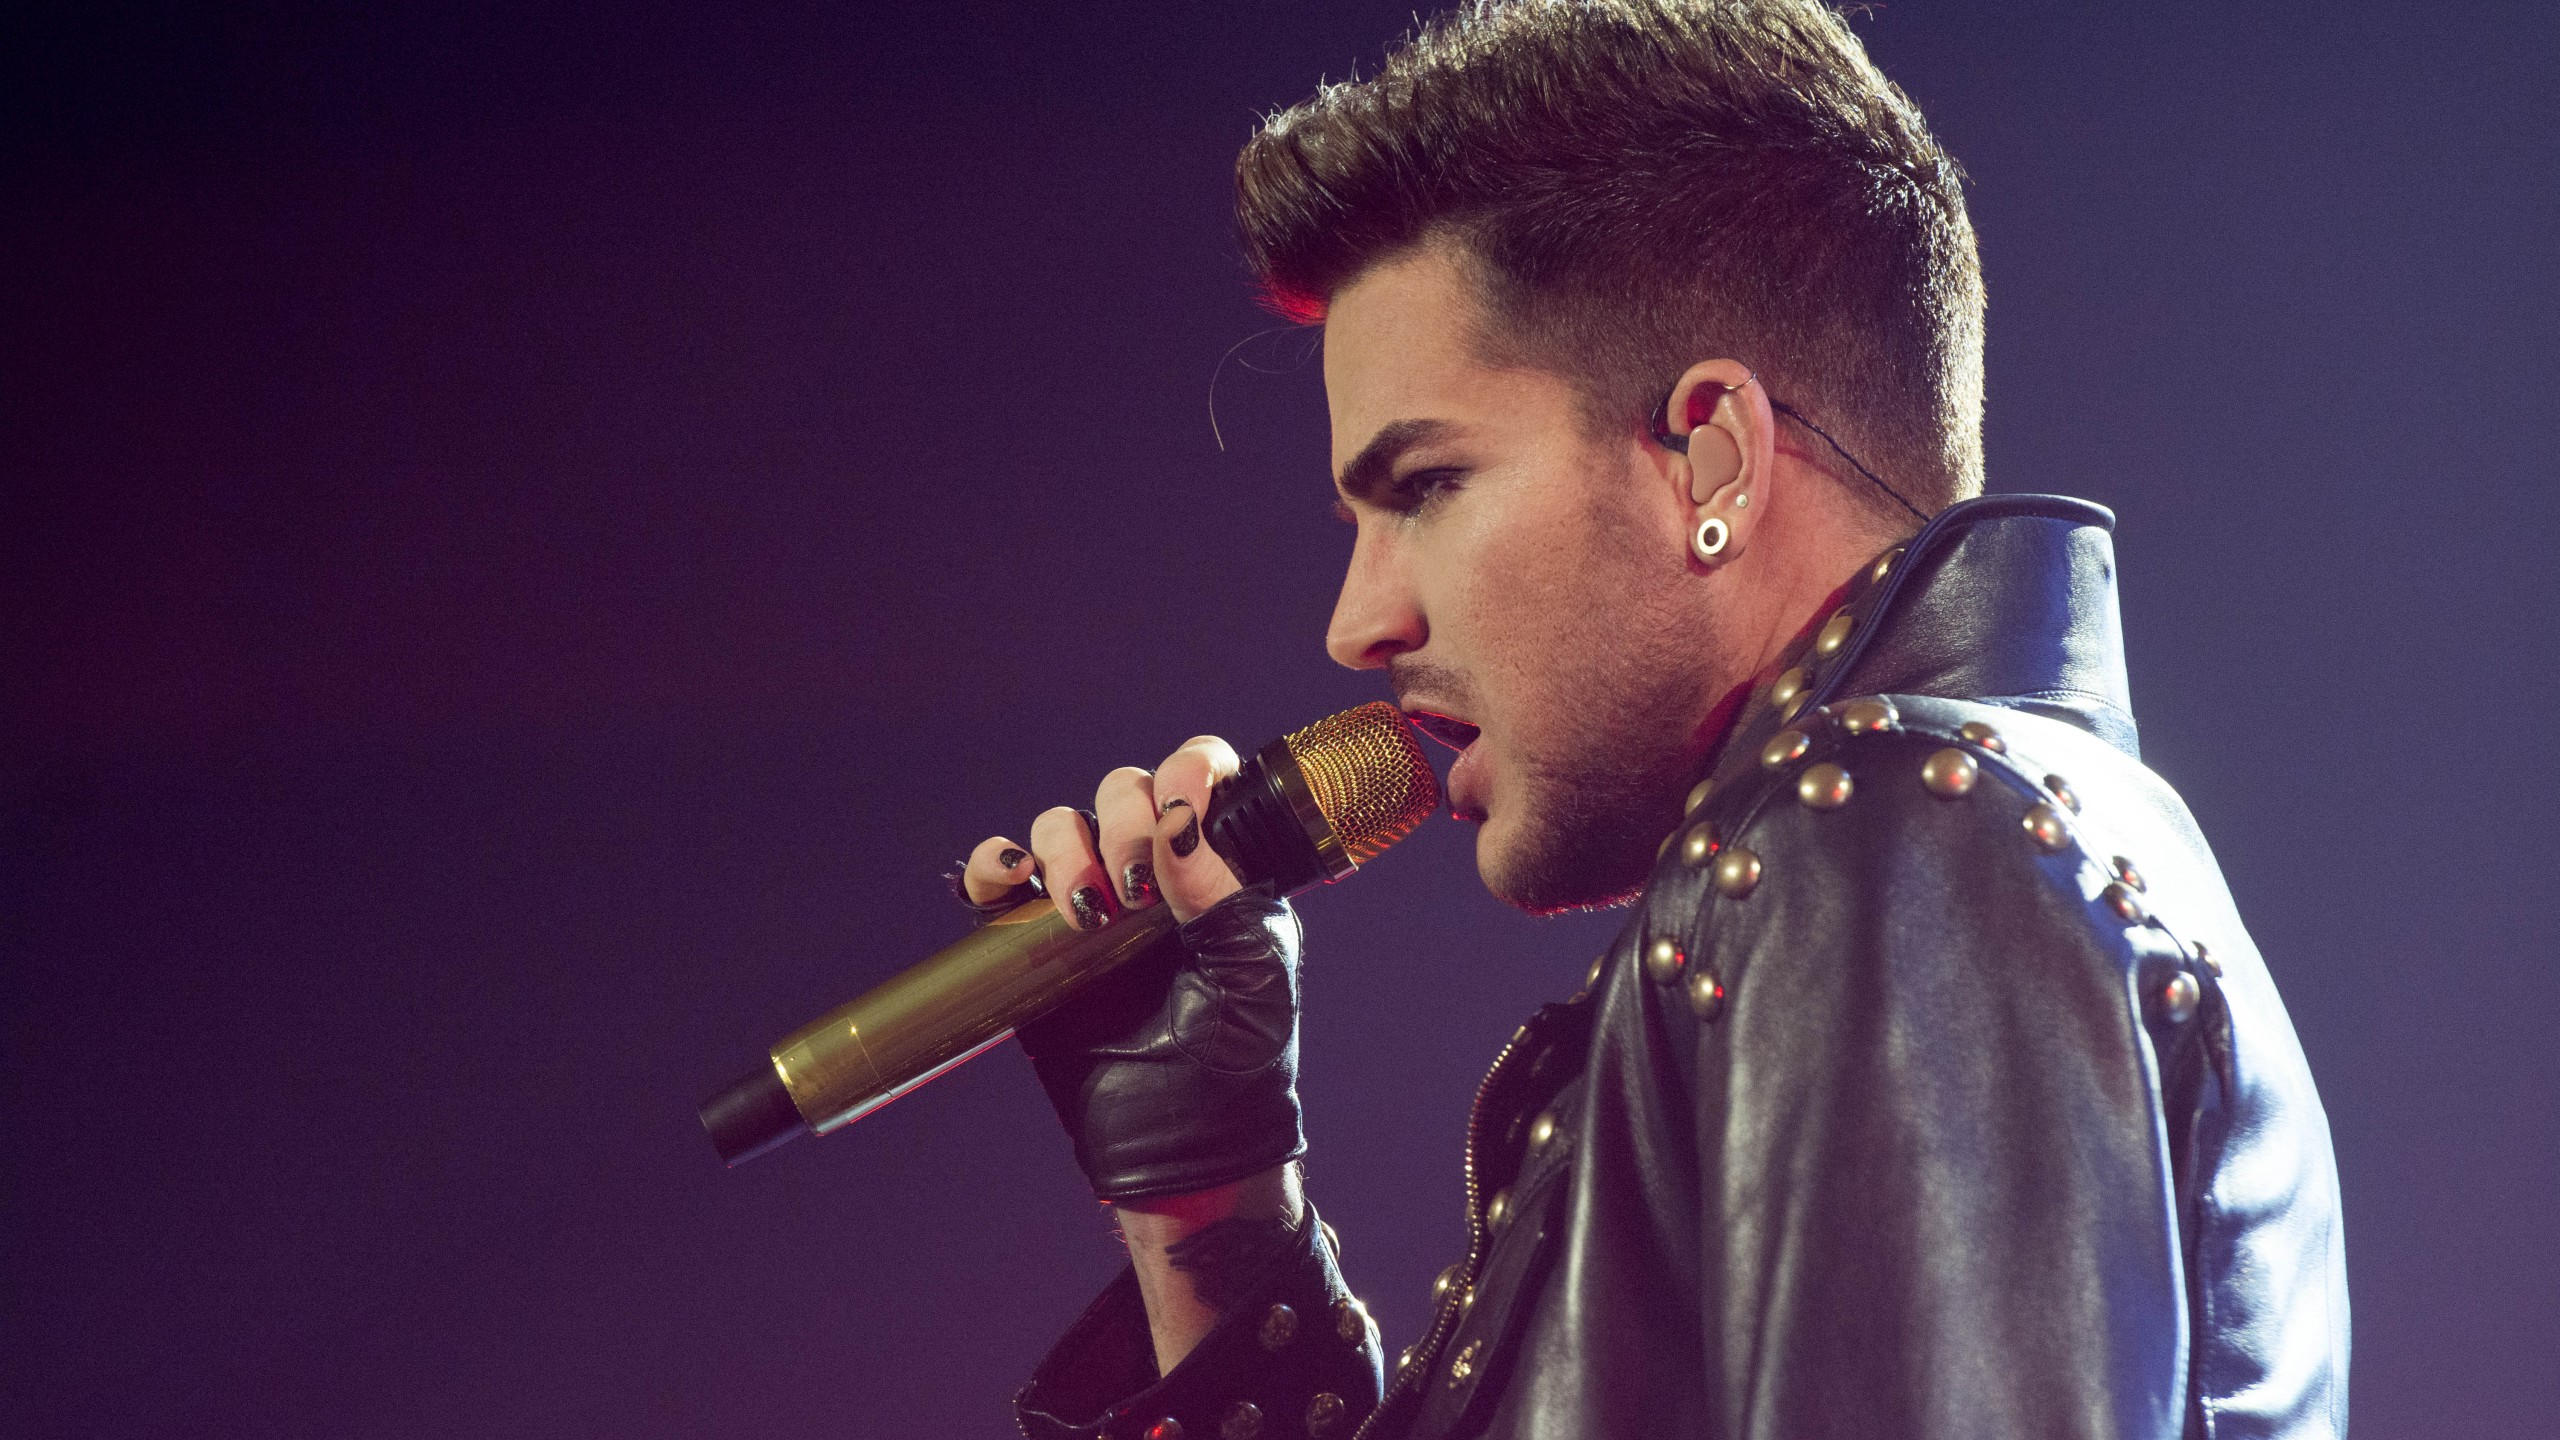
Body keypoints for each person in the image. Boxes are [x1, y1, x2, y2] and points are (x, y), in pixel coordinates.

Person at [955, 3, 2349, 1436]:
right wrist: (1210, 1215)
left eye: (1425, 485)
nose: (1356, 624)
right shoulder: (1976, 840)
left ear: (1712, 458)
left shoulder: (1891, 844)